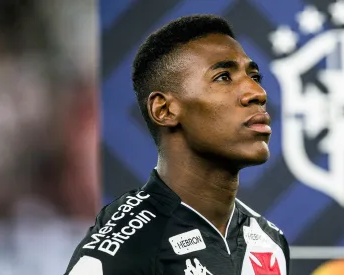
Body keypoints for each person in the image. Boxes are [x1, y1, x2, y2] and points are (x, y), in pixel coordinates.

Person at [65, 14, 290, 275]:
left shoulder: (269, 241)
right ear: (164, 109)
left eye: (255, 76)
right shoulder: (125, 248)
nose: (257, 93)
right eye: (223, 77)